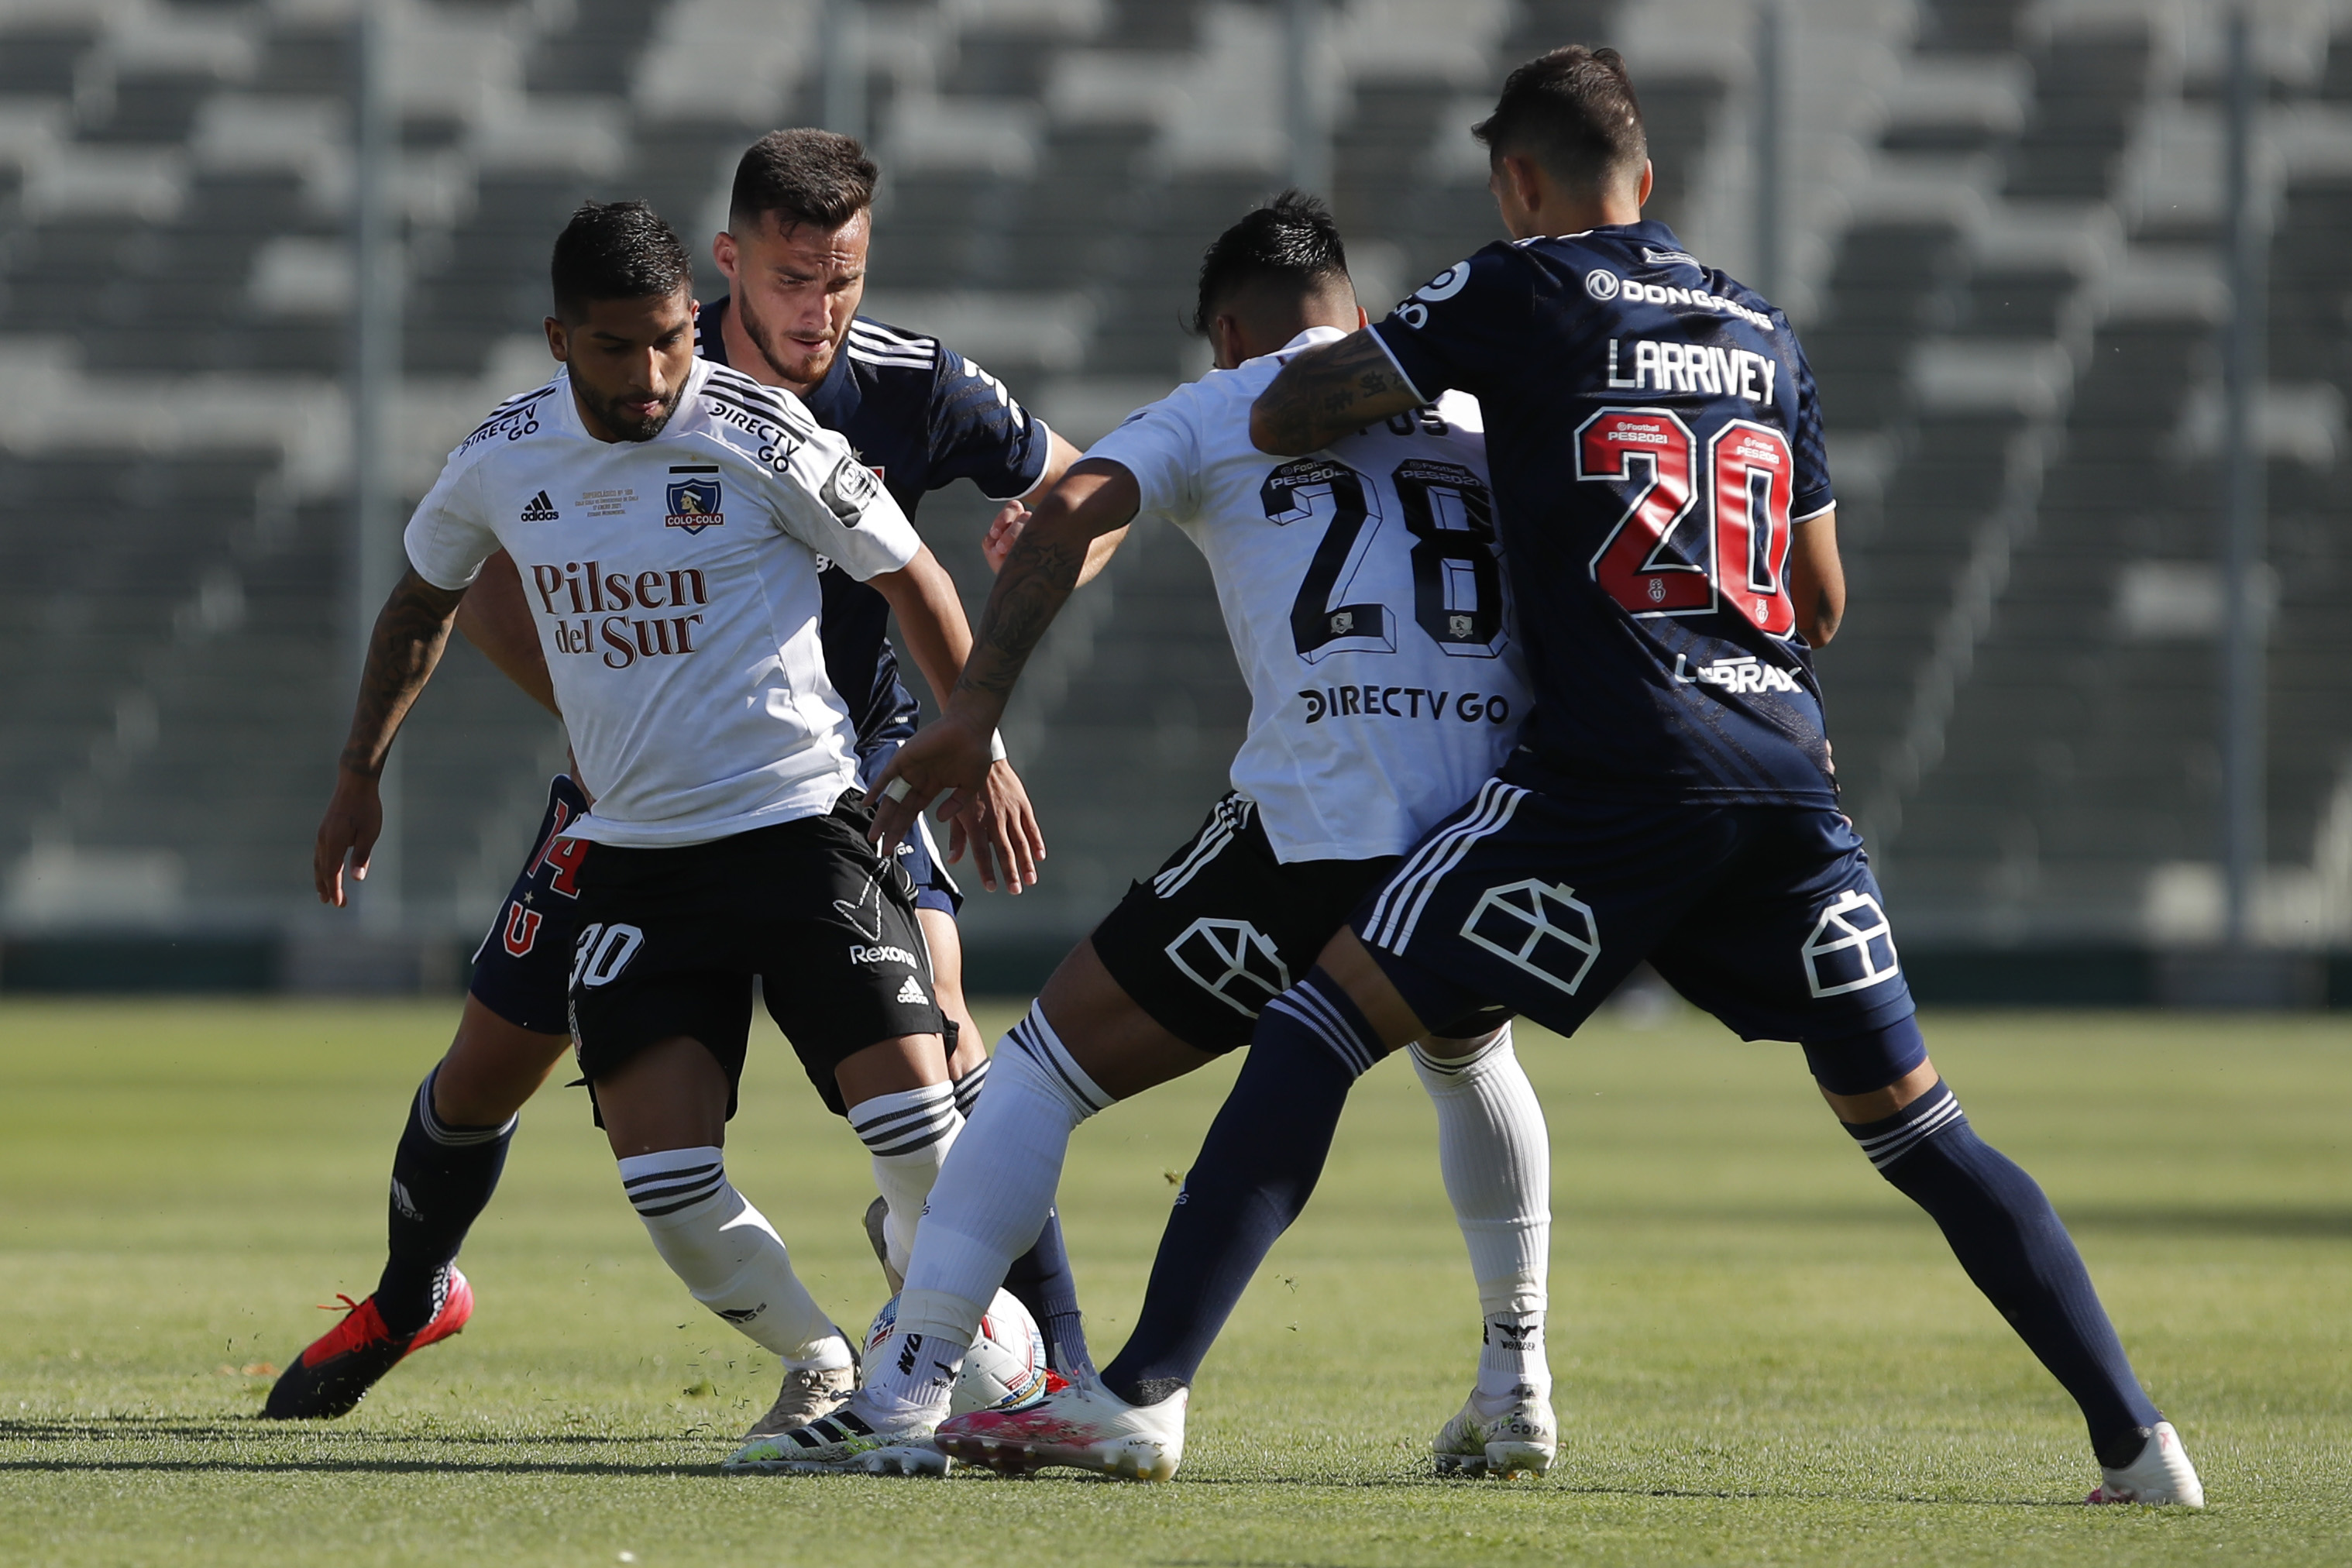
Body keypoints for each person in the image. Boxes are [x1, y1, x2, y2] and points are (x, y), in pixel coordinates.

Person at [917, 48, 2206, 1508]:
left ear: (1518, 183)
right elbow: (1822, 595)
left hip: (1616, 769)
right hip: (1785, 769)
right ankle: (2138, 1441)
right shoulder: (1768, 333)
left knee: (1319, 1021)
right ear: (1648, 179)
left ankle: (1136, 1394)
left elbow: (1286, 413)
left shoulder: (1519, 289)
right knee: (1917, 1123)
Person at [263, 131, 1099, 1432]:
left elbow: (952, 555)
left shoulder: (807, 415)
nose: (656, 374)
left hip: (822, 798)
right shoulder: (515, 449)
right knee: (552, 1110)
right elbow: (435, 593)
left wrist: (977, 728)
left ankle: (1031, 1371)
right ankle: (466, 1298)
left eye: (843, 280)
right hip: (632, 829)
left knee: (935, 1081)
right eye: (786, 280)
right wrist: (380, 767)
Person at [734, 194, 1556, 1479]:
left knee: (1045, 1068)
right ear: (1349, 305)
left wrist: (979, 707)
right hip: (1484, 829)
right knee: (1466, 1051)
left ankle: (905, 1393)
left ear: (1228, 330)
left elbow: (1073, 506)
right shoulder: (1475, 413)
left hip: (1316, 823)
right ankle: (1517, 1377)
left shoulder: (1224, 401)